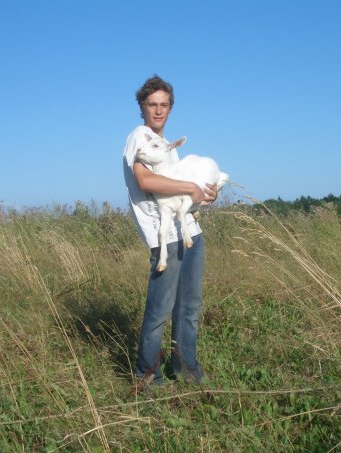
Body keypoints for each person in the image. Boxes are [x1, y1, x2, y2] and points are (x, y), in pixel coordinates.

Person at [122, 75, 217, 388]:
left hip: (190, 233)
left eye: (164, 104)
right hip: (164, 239)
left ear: (171, 108)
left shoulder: (169, 149)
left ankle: (186, 369)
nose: (158, 110)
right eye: (152, 104)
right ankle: (147, 377)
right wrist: (190, 187)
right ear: (142, 107)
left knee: (189, 307)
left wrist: (206, 194)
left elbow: (184, 192)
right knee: (160, 310)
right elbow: (145, 181)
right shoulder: (139, 137)